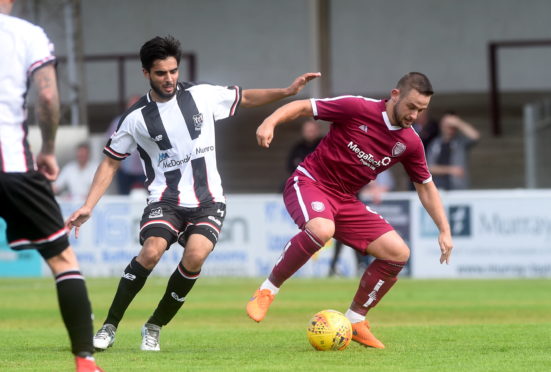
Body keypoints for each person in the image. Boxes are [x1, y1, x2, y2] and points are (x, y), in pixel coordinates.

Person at [65, 35, 319, 352]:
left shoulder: (201, 95)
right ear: (146, 73)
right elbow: (109, 163)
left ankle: (154, 326)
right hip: (165, 200)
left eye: (173, 71)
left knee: (196, 255)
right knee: (151, 251)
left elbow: (246, 98)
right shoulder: (135, 119)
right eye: (161, 73)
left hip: (209, 200)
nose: (169, 78)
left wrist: (286, 92)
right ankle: (109, 326)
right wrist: (88, 205)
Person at [246, 72, 453, 349]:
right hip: (310, 182)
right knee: (321, 229)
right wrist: (270, 121)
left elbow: (426, 186)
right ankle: (266, 291)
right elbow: (305, 106)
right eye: (411, 106)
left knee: (398, 253)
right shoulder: (358, 107)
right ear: (395, 95)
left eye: (421, 110)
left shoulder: (410, 142)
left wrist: (444, 229)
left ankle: (355, 320)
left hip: (346, 200)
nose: (414, 115)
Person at [0, 1, 102, 371]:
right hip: (12, 164)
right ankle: (85, 361)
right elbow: (46, 95)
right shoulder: (28, 35)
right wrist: (46, 150)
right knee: (62, 260)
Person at [328, 169, 395, 277]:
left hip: (351, 206)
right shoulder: (346, 174)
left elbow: (368, 179)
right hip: (344, 206)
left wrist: (374, 189)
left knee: (350, 239)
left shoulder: (355, 172)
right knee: (346, 239)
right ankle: (348, 266)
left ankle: (341, 267)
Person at [425, 112, 480, 190]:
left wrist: (458, 123)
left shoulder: (461, 141)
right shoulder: (435, 143)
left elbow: (475, 137)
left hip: (459, 188)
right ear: (441, 124)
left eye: (452, 125)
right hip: (437, 189)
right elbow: (429, 167)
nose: (450, 126)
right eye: (447, 124)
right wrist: (450, 170)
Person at [105, 95, 145, 195]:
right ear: (127, 107)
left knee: (146, 200)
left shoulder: (149, 121)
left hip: (145, 170)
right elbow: (109, 143)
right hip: (124, 170)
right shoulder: (117, 122)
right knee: (124, 200)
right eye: (132, 105)